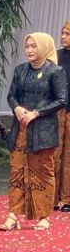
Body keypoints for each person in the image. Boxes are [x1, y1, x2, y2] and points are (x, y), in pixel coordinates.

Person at [0, 32, 68, 232]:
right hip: (21, 128)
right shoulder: (21, 70)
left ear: (45, 48)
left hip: (43, 130)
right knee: (16, 171)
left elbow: (61, 100)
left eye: (33, 46)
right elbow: (11, 95)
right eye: (27, 46)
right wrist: (17, 108)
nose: (29, 50)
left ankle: (44, 215)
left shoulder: (55, 72)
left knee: (43, 172)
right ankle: (13, 214)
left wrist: (37, 113)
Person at [54, 22, 70, 213]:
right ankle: (53, 195)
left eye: (67, 33)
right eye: (63, 33)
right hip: (58, 108)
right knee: (55, 152)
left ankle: (67, 198)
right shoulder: (56, 56)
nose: (63, 36)